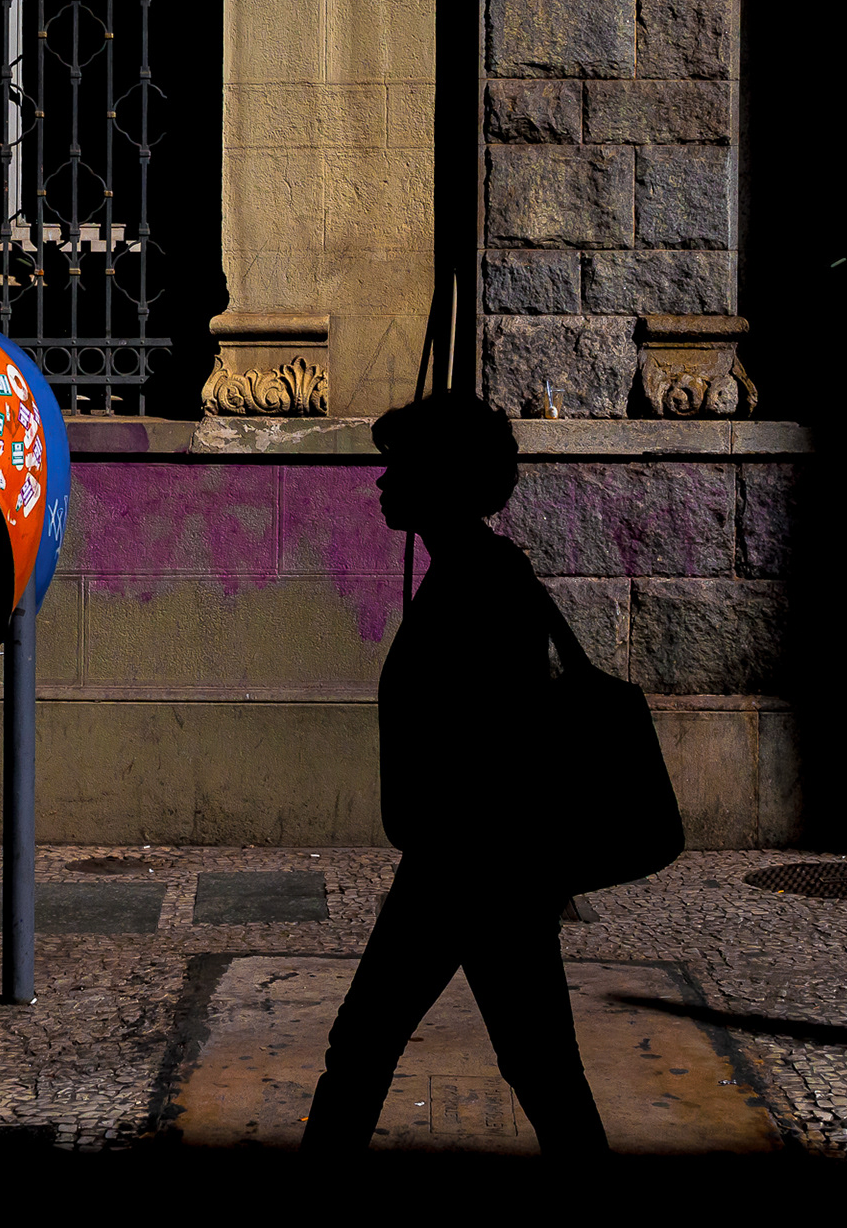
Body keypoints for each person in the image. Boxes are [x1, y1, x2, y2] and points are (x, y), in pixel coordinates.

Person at [299, 387, 612, 1158]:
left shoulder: (480, 582)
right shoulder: (472, 571)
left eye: (399, 465)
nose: (382, 480)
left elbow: (496, 734)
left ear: (438, 478)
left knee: (371, 1047)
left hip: (470, 866)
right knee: (535, 1065)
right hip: (473, 864)